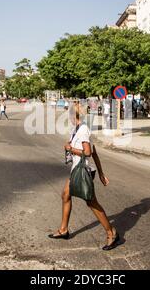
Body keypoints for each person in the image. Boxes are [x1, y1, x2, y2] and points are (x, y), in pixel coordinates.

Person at [49, 103, 119, 251]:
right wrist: (101, 173)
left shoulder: (83, 130)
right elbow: (95, 153)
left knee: (92, 203)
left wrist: (70, 149)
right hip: (77, 169)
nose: (69, 118)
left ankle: (111, 232)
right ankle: (63, 230)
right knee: (65, 195)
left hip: (83, 171)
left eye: (70, 115)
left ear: (76, 115)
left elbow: (88, 153)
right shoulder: (76, 130)